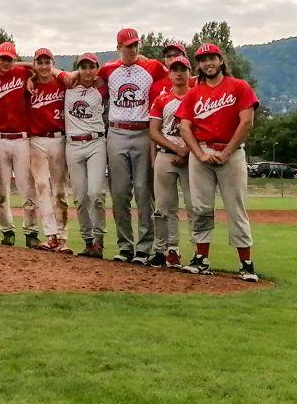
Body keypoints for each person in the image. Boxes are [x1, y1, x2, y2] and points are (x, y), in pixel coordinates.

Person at [177, 44, 259, 282]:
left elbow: (247, 122)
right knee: (200, 208)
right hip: (202, 152)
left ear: (221, 60)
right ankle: (201, 259)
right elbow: (184, 126)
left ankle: (246, 263)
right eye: (203, 60)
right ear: (199, 65)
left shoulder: (239, 87)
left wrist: (227, 152)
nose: (208, 63)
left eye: (212, 58)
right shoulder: (194, 92)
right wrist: (199, 154)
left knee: (236, 208)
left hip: (231, 153)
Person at [98, 28, 168, 264]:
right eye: (128, 45)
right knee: (119, 193)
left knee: (143, 191)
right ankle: (124, 245)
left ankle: (144, 247)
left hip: (142, 131)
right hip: (117, 131)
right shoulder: (108, 69)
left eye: (136, 44)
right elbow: (86, 79)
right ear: (119, 47)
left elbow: (177, 79)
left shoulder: (153, 67)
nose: (133, 49)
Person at [0, 42, 40, 247]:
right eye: (2, 58)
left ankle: (31, 230)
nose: (6, 63)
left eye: (10, 59)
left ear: (14, 59)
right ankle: (7, 230)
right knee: (2, 189)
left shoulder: (21, 72)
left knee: (27, 187)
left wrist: (23, 66)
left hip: (21, 139)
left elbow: (39, 66)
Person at [148, 55, 194, 268]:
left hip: (192, 156)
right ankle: (163, 250)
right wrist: (178, 149)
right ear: (169, 73)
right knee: (162, 207)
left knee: (194, 206)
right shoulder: (162, 99)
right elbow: (154, 132)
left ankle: (198, 252)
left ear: (189, 72)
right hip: (166, 154)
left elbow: (203, 128)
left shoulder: (196, 97)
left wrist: (186, 151)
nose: (178, 73)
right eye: (174, 69)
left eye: (182, 69)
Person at [63, 53, 109, 258]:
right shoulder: (68, 86)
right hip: (73, 144)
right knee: (80, 198)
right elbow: (47, 71)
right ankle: (88, 241)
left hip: (96, 142)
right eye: (84, 67)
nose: (88, 71)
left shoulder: (102, 88)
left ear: (97, 68)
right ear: (78, 69)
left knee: (96, 193)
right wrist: (72, 73)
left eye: (92, 67)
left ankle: (99, 241)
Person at [27, 48, 72, 253]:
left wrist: (59, 73)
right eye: (40, 62)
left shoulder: (61, 83)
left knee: (60, 191)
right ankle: (51, 235)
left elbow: (74, 76)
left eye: (47, 62)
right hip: (36, 140)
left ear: (53, 63)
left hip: (58, 139)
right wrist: (30, 74)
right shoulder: (28, 84)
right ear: (35, 64)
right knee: (42, 186)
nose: (44, 66)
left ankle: (62, 236)